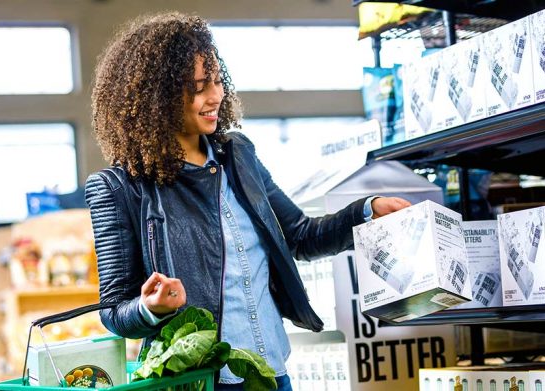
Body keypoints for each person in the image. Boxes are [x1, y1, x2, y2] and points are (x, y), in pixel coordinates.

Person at [84, 12, 411, 390]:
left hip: (273, 374)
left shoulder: (238, 156)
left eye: (218, 81)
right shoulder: (119, 188)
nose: (215, 96)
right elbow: (113, 310)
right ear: (158, 98)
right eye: (198, 87)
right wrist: (150, 308)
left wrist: (367, 211)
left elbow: (301, 236)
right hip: (203, 380)